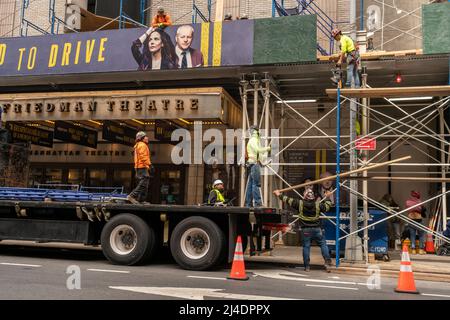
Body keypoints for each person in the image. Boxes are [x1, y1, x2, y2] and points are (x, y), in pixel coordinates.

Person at [274, 188, 333, 272]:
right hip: (317, 229)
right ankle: (327, 263)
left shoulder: (299, 203)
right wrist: (328, 197)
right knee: (323, 245)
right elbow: (327, 206)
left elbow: (287, 200)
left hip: (305, 230)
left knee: (306, 247)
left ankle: (307, 266)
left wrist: (278, 194)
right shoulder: (317, 205)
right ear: (313, 197)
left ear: (304, 196)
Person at [245, 125, 271, 207]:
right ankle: (258, 203)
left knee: (251, 185)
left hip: (252, 163)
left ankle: (248, 204)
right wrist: (268, 148)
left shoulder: (254, 140)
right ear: (256, 131)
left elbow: (258, 154)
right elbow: (258, 150)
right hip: (254, 164)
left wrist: (265, 161)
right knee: (256, 184)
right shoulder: (253, 140)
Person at [128, 131, 151, 204]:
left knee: (145, 184)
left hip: (140, 166)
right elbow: (143, 156)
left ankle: (141, 200)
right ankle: (132, 196)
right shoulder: (142, 145)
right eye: (145, 136)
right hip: (142, 166)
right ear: (142, 138)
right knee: (144, 183)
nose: (147, 138)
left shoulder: (138, 145)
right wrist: (150, 165)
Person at [405, 190, 427, 255]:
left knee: (412, 235)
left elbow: (408, 208)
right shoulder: (419, 202)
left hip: (411, 220)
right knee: (421, 235)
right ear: (418, 195)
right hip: (419, 220)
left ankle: (413, 250)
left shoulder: (408, 202)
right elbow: (422, 209)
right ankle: (421, 250)